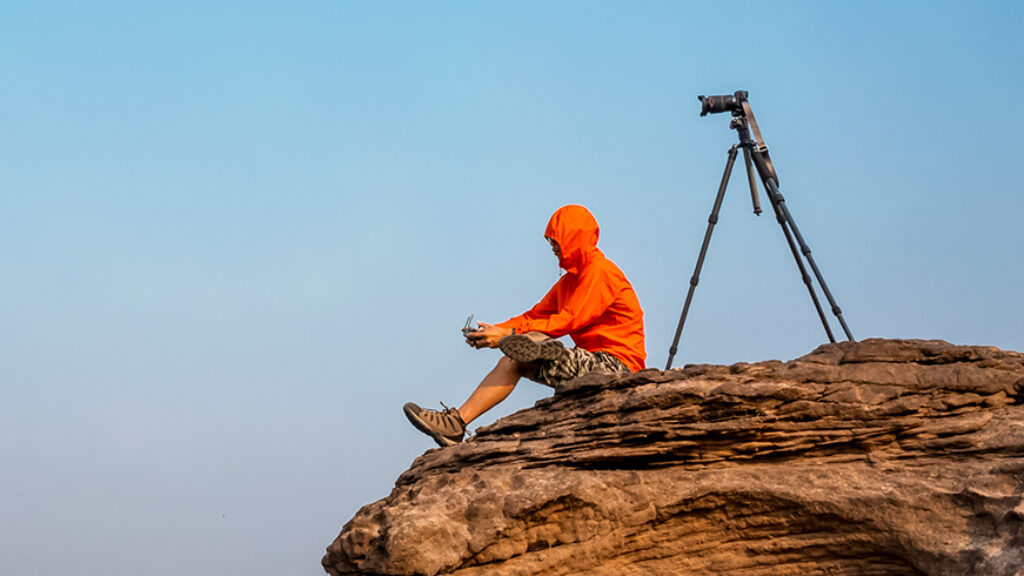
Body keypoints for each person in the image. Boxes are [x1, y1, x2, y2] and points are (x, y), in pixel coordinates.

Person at [403, 204, 646, 447]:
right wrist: (494, 330)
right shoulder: (567, 283)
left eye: (556, 239)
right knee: (515, 354)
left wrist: (506, 335)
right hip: (589, 361)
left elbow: (570, 319)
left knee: (528, 344)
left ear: (572, 237)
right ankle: (455, 423)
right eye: (550, 240)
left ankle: (538, 349)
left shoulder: (600, 272)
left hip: (616, 366)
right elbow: (532, 315)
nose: (552, 247)